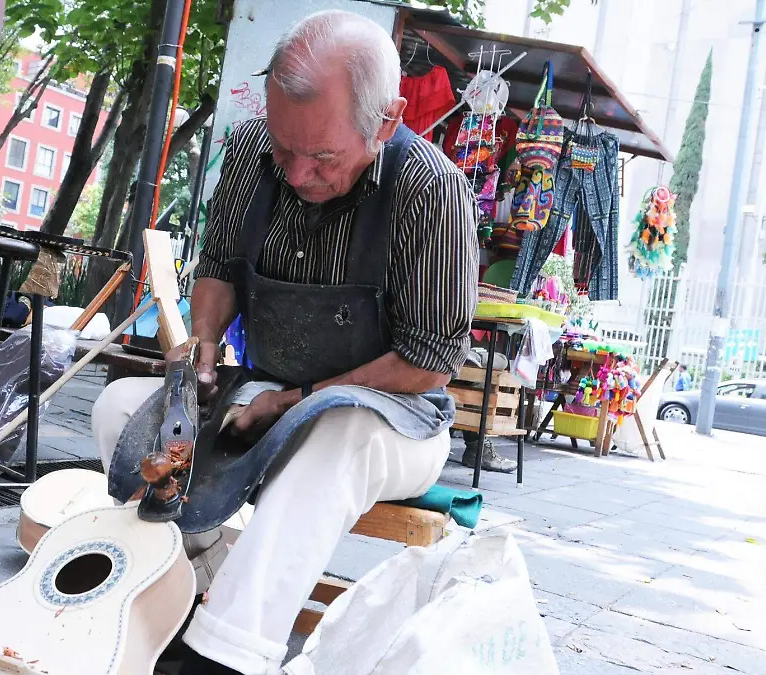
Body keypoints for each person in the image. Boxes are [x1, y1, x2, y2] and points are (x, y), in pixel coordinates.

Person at [91, 10, 478, 674]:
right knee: (124, 409)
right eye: (283, 147)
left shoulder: (431, 190)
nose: (296, 173)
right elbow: (217, 266)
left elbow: (429, 364)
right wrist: (204, 345)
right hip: (266, 391)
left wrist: (295, 401)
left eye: (323, 156)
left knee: (334, 439)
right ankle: (187, 591)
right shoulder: (248, 150)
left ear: (385, 122)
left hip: (391, 421)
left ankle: (225, 655)